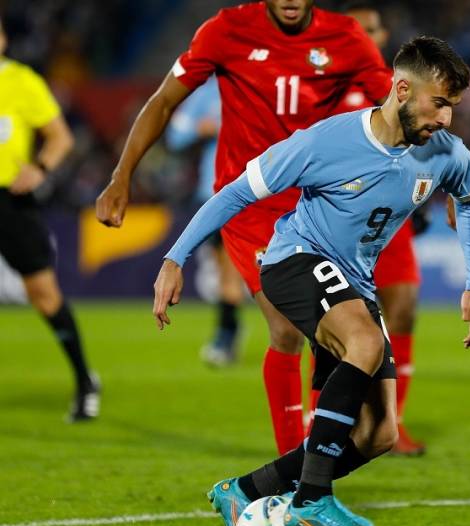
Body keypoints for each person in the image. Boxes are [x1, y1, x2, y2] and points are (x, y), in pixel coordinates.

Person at [153, 36, 470, 526]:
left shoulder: (445, 152)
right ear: (401, 89)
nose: (446, 119)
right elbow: (236, 192)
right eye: (438, 103)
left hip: (355, 281)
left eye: (453, 107)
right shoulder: (325, 143)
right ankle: (311, 499)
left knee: (379, 433)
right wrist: (175, 258)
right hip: (293, 260)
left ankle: (244, 491)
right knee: (365, 342)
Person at [95, 0, 391, 455]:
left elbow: (397, 110)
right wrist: (122, 175)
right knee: (288, 327)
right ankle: (294, 476)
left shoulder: (346, 37)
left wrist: (451, 180)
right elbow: (164, 101)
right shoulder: (226, 30)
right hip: (250, 204)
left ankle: (313, 476)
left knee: (334, 336)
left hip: (321, 205)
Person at [331, 0, 427, 455]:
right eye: (357, 31)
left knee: (403, 307)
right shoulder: (324, 86)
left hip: (391, 220)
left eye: (372, 30)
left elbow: (428, 142)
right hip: (337, 222)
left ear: (384, 36)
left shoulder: (399, 92)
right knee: (335, 327)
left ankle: (393, 424)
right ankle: (328, 425)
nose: (367, 38)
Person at [0, 16, 100, 422]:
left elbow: (61, 137)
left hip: (10, 200)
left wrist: (40, 168)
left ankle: (84, 381)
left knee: (43, 295)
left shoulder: (21, 81)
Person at [166, 76, 245, 367]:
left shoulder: (258, 84)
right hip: (213, 193)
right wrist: (202, 128)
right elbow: (176, 133)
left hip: (255, 191)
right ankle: (228, 330)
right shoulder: (207, 93)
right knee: (226, 271)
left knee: (238, 272)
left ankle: (229, 331)